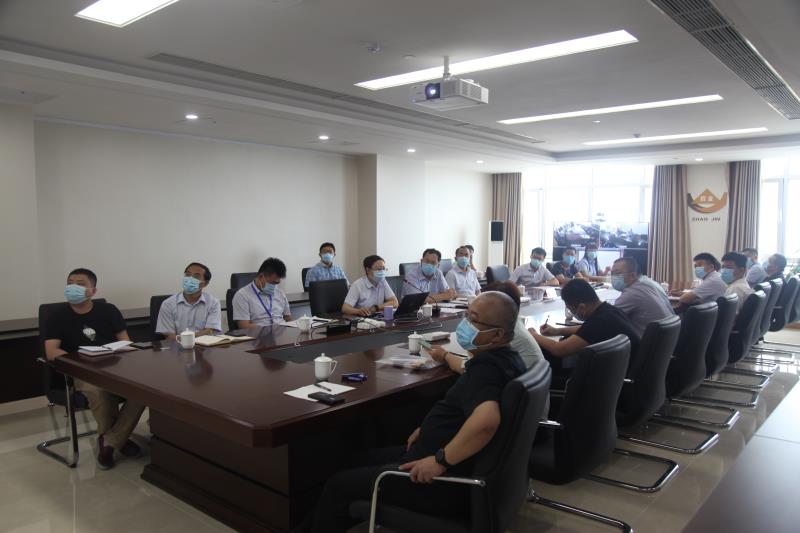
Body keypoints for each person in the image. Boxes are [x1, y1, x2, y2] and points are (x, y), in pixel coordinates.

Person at [305, 292, 523, 533]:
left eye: (473, 319)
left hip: (437, 480)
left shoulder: (486, 368)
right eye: (466, 315)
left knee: (337, 485)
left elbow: (486, 421)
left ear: (497, 334)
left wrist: (440, 460)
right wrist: (428, 428)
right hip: (442, 461)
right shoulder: (509, 359)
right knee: (353, 460)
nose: (465, 324)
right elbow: (469, 402)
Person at [43, 268, 144, 470]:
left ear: (93, 291)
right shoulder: (56, 316)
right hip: (81, 372)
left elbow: (125, 342)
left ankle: (111, 441)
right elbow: (51, 351)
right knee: (99, 392)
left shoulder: (109, 310)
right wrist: (81, 361)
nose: (73, 287)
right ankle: (117, 441)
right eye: (70, 283)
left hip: (115, 367)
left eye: (80, 284)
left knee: (145, 391)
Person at [427, 281, 544, 373]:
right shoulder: (511, 325)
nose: (467, 323)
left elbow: (468, 368)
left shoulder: (507, 337)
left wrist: (445, 355)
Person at [529, 278, 640, 361]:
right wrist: (557, 331)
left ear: (582, 307)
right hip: (627, 370)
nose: (572, 313)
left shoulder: (599, 321)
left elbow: (559, 349)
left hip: (619, 376)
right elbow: (585, 328)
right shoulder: (608, 310)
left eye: (571, 309)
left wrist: (533, 335)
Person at [609, 257, 674, 338]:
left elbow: (609, 319)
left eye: (617, 273)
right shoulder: (649, 282)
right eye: (612, 273)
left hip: (650, 342)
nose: (613, 277)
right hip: (668, 339)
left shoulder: (632, 293)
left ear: (633, 275)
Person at [156, 262, 222, 339]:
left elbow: (209, 332)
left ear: (205, 283)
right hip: (177, 345)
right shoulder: (168, 304)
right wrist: (189, 339)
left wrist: (183, 338)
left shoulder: (213, 303)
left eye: (196, 276)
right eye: (188, 275)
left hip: (205, 345)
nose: (190, 279)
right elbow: (169, 336)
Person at [232, 258, 292, 328]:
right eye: (273, 282)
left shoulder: (280, 293)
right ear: (261, 276)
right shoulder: (242, 295)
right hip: (259, 333)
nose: (275, 286)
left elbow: (288, 318)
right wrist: (269, 330)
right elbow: (244, 326)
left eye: (277, 283)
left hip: (282, 332)